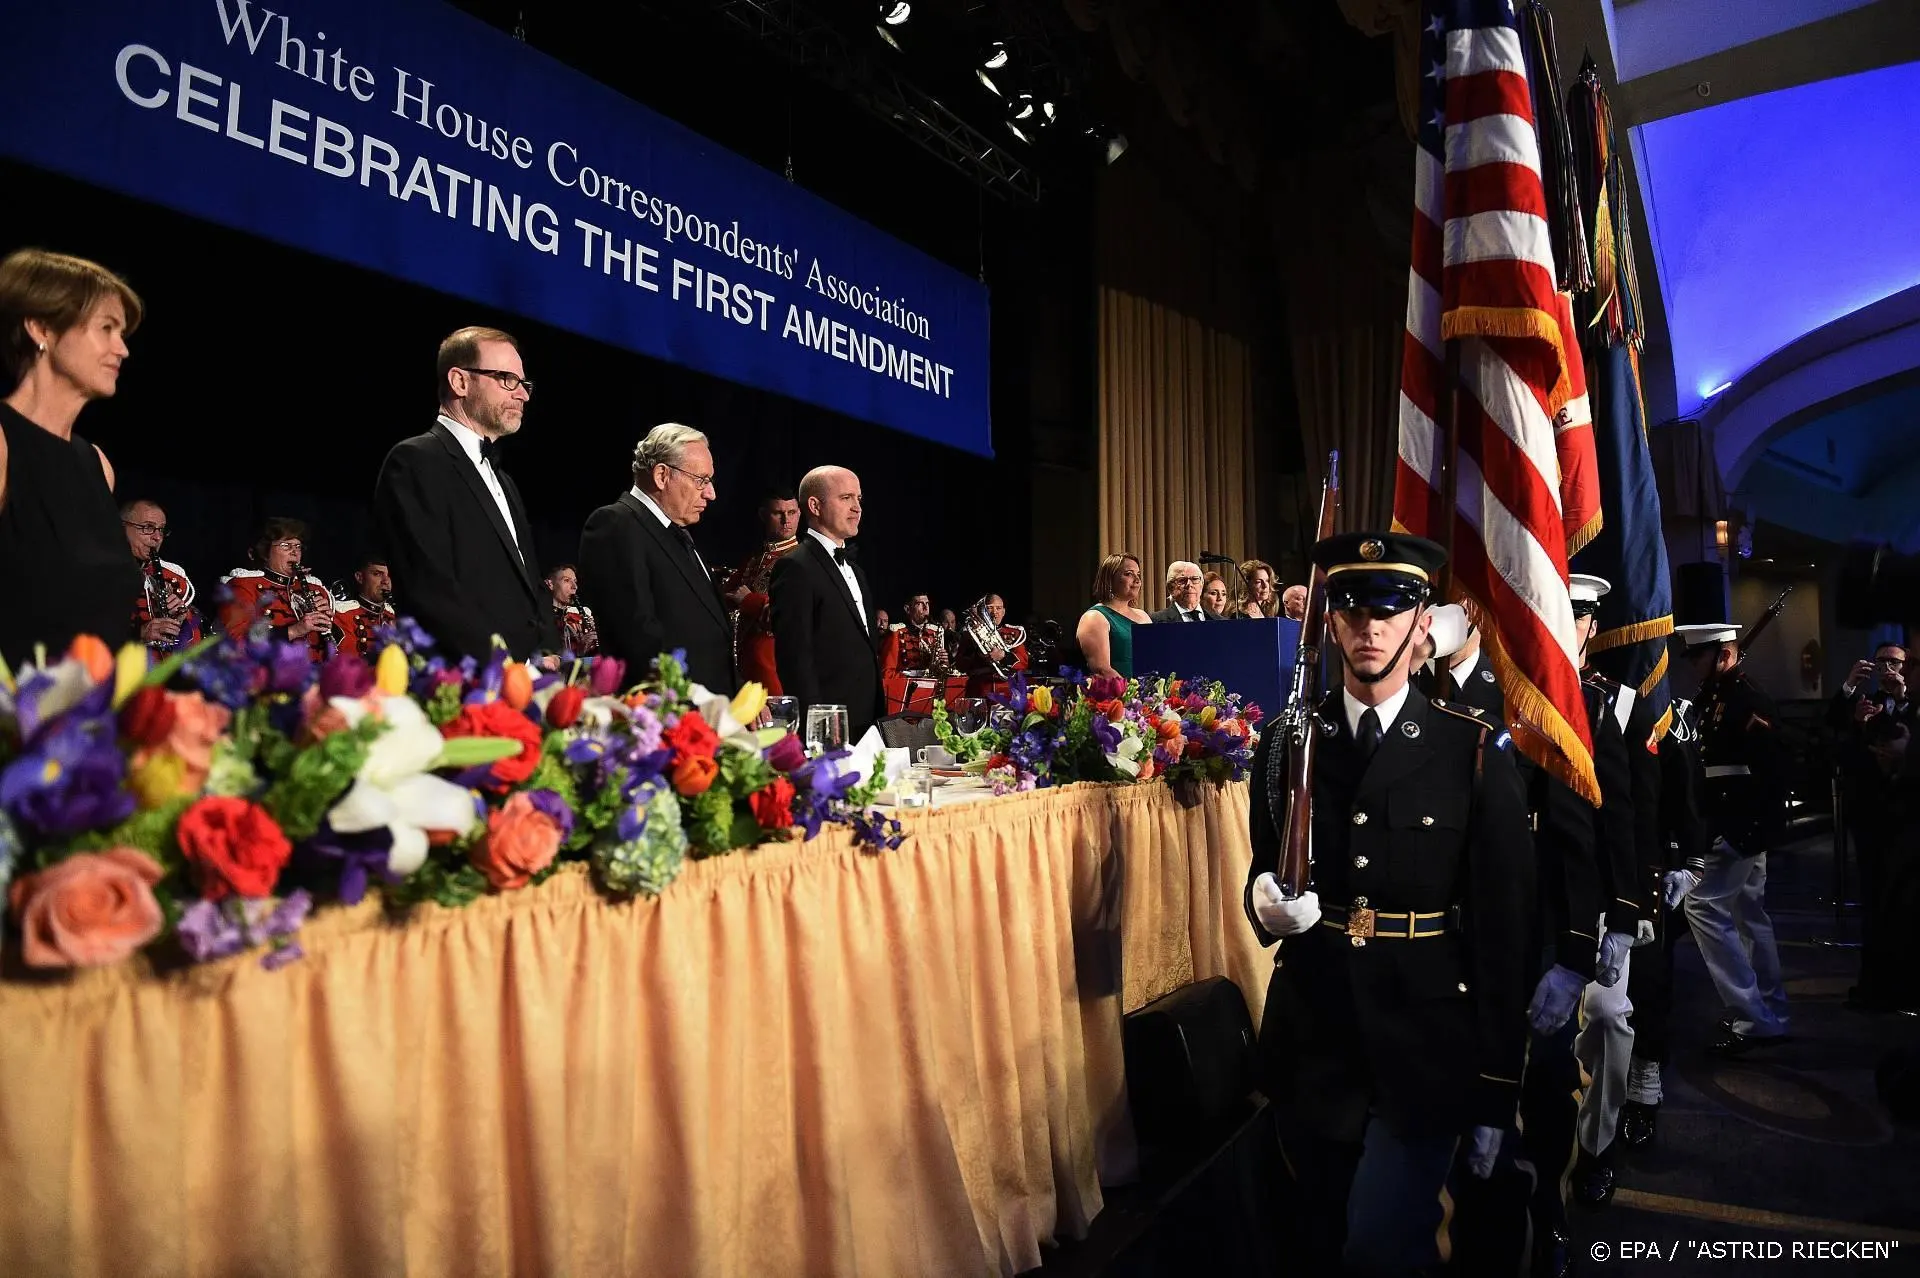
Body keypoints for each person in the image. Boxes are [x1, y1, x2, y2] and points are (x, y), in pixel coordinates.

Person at [1244, 531, 1533, 1275]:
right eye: (1351, 608)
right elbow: (1265, 867)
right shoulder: (1286, 744)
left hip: (1424, 1046)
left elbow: (1504, 934)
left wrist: (1497, 1089)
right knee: (1312, 1241)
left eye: (1390, 608)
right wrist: (1262, 903)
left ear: (1421, 624)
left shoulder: (1470, 751)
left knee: (1381, 1247)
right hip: (1316, 1037)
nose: (1369, 626)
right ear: (1331, 621)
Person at [373, 326, 555, 661]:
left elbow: (530, 580)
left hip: (524, 678)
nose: (523, 395)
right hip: (466, 674)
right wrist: (501, 666)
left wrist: (547, 650)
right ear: (460, 382)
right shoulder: (415, 461)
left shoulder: (504, 481)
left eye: (524, 383)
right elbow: (430, 589)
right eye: (507, 379)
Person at [0, 248, 145, 668]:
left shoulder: (97, 464)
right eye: (106, 328)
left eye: (122, 333)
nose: (122, 349)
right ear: (41, 327)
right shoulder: (3, 444)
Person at [1673, 606, 1789, 1054]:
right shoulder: (1717, 695)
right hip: (1730, 821)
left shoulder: (1748, 700)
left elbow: (1770, 772)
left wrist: (1747, 832)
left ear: (1723, 655)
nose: (1693, 665)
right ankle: (1770, 1011)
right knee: (1748, 915)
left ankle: (1752, 1015)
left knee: (1702, 905)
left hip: (1738, 824)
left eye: (1698, 657)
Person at [1565, 575, 1646, 1211]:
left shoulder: (1606, 704)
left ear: (1592, 626)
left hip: (1592, 896)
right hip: (1532, 895)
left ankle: (1597, 1144)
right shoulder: (1504, 694)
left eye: (1575, 616)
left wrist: (1623, 914)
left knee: (1609, 1019)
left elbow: (1623, 811)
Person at [578, 424, 734, 695]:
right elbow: (637, 640)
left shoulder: (676, 532)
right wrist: (692, 704)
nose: (711, 493)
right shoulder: (616, 525)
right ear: (662, 475)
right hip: (668, 709)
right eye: (701, 480)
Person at [1829, 641, 1914, 1010]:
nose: (1887, 669)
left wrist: (1904, 698)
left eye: (1894, 662)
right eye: (1881, 662)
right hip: (1872, 814)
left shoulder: (1913, 703)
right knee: (1874, 902)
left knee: (1905, 902)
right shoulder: (1864, 702)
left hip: (1907, 814)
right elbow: (1835, 739)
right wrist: (1855, 712)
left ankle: (1906, 986)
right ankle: (1873, 986)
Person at [770, 465, 883, 741]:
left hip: (868, 724)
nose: (857, 508)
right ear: (815, 506)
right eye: (846, 498)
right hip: (829, 729)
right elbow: (795, 660)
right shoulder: (795, 567)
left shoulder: (856, 571)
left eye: (859, 499)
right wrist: (819, 730)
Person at [219, 517, 336, 661]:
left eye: (298, 546)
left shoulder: (316, 589)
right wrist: (294, 631)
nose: (294, 552)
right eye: (286, 545)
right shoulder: (245, 585)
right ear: (265, 552)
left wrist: (329, 626)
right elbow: (236, 642)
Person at [720, 490, 802, 693]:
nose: (786, 520)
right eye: (778, 513)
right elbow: (723, 597)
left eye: (791, 513)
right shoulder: (754, 560)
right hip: (744, 667)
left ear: (800, 514)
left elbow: (793, 615)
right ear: (763, 515)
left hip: (776, 669)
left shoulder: (802, 561)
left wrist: (748, 600)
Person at [122, 498, 201, 652]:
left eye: (161, 530)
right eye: (148, 527)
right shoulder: (98, 573)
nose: (157, 538)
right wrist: (138, 634)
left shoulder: (173, 575)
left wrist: (181, 620)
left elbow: (193, 643)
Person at [1075, 553, 1150, 679]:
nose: (1137, 580)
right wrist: (1133, 690)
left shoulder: (1143, 616)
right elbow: (1102, 670)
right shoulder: (1094, 617)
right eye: (1128, 574)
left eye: (1138, 574)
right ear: (1109, 579)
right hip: (1119, 691)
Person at [953, 594, 1029, 699]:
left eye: (998, 608)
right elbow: (960, 666)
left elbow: (1023, 662)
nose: (994, 612)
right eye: (989, 608)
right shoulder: (969, 635)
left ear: (1003, 612)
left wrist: (1003, 656)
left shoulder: (1014, 633)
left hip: (1005, 693)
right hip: (978, 691)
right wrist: (975, 652)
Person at [333, 556, 397, 659]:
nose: (386, 581)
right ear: (360, 577)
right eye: (377, 574)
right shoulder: (344, 614)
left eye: (388, 575)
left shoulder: (390, 615)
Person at [545, 564, 599, 657]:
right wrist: (579, 650)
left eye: (575, 581)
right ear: (550, 584)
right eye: (566, 580)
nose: (574, 586)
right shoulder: (543, 618)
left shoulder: (580, 614)